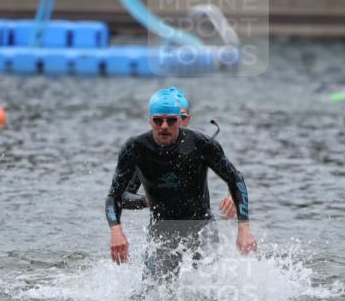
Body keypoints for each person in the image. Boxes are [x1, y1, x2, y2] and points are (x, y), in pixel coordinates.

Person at [106, 87, 256, 281]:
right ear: (150, 120)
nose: (164, 126)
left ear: (182, 119)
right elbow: (117, 197)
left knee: (209, 292)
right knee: (150, 295)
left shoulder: (200, 144)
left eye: (172, 120)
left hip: (201, 226)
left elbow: (235, 178)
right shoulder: (136, 148)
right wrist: (145, 204)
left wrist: (244, 227)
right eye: (158, 120)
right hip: (161, 229)